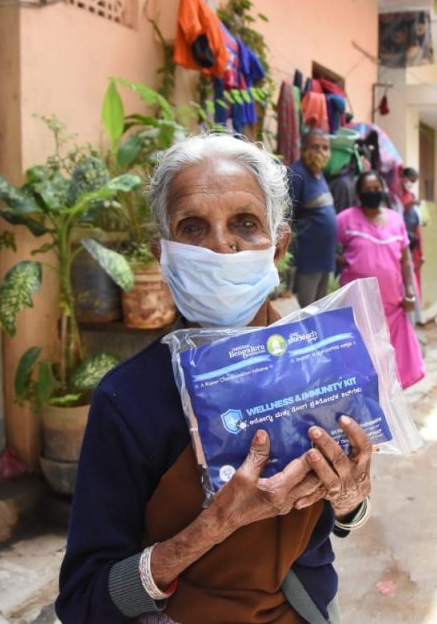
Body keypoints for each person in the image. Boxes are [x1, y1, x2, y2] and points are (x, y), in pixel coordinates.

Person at [56, 135, 372, 624]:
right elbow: (83, 600)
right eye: (193, 227)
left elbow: (334, 516)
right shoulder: (130, 399)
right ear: (163, 253)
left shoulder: (320, 367)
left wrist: (351, 502)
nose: (221, 244)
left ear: (279, 245)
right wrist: (214, 526)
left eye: (245, 224)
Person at [336, 172, 426, 389]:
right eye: (368, 189)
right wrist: (348, 262)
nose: (373, 193)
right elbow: (330, 248)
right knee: (363, 356)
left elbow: (405, 260)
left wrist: (410, 293)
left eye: (377, 188)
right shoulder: (345, 219)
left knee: (393, 361)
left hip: (392, 304)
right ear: (359, 193)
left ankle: (390, 398)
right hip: (358, 304)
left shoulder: (396, 219)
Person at [290, 129, 339, 307]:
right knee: (305, 312)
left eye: (325, 147)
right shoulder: (297, 175)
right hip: (307, 261)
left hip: (324, 259)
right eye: (315, 146)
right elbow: (288, 218)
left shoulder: (319, 175)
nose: (321, 152)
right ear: (303, 149)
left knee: (320, 311)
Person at [400, 167, 424, 301]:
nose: (411, 184)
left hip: (414, 241)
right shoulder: (398, 195)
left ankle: (415, 308)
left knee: (415, 273)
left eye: (414, 181)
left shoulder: (411, 196)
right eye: (410, 180)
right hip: (404, 242)